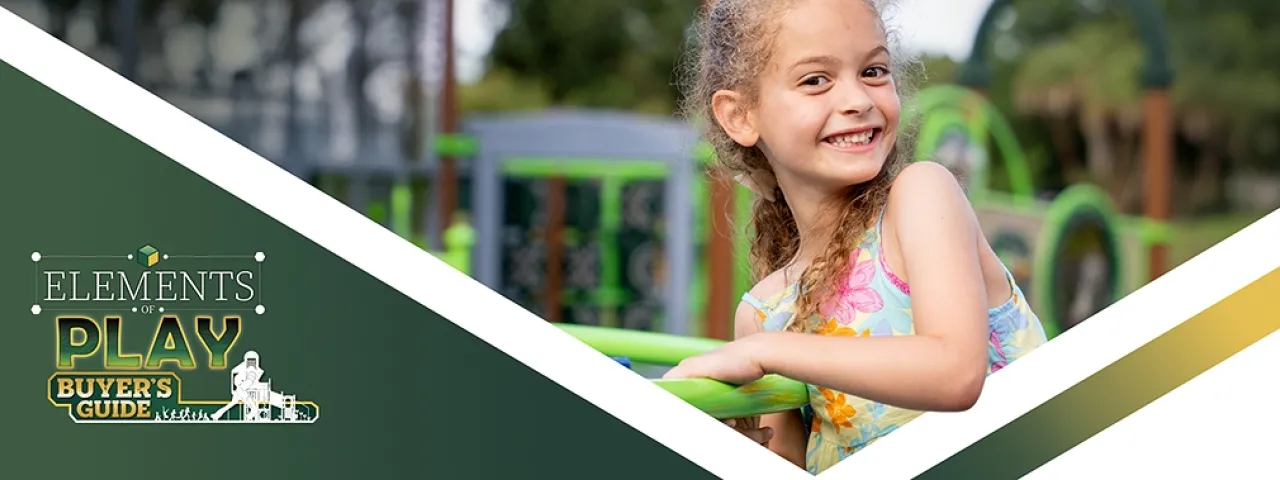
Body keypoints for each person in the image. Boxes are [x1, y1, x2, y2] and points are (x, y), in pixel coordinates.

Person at [665, 0, 1049, 474]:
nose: (858, 100)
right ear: (740, 116)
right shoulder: (765, 313)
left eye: (873, 70)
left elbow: (955, 372)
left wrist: (764, 352)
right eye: (815, 80)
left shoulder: (922, 196)